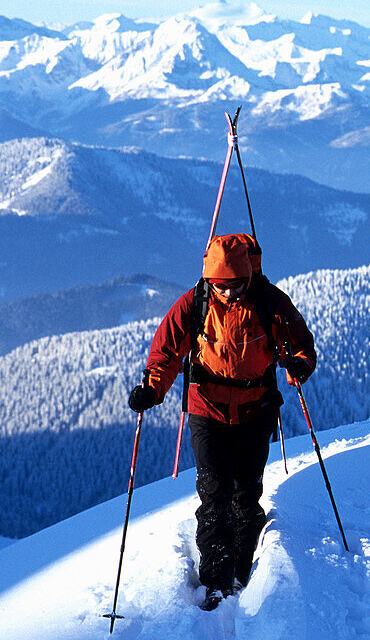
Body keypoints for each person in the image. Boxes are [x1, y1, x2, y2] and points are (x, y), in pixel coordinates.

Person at [127, 233, 316, 610]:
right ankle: (216, 580)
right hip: (207, 409)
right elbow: (166, 352)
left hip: (255, 409)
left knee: (246, 493)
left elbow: (300, 344)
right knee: (214, 493)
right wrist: (152, 389)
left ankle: (242, 570)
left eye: (236, 286)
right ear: (210, 279)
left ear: (249, 276)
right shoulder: (194, 303)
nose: (229, 293)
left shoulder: (269, 301)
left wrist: (298, 365)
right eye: (221, 286)